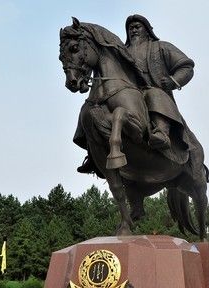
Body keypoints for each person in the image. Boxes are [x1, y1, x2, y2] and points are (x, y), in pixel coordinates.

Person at [77, 14, 195, 173]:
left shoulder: (161, 47)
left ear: (147, 30)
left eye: (137, 26)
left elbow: (186, 66)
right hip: (125, 94)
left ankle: (162, 133)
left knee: (154, 94)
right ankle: (93, 153)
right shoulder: (121, 52)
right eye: (130, 28)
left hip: (151, 90)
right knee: (89, 107)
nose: (133, 30)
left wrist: (173, 81)